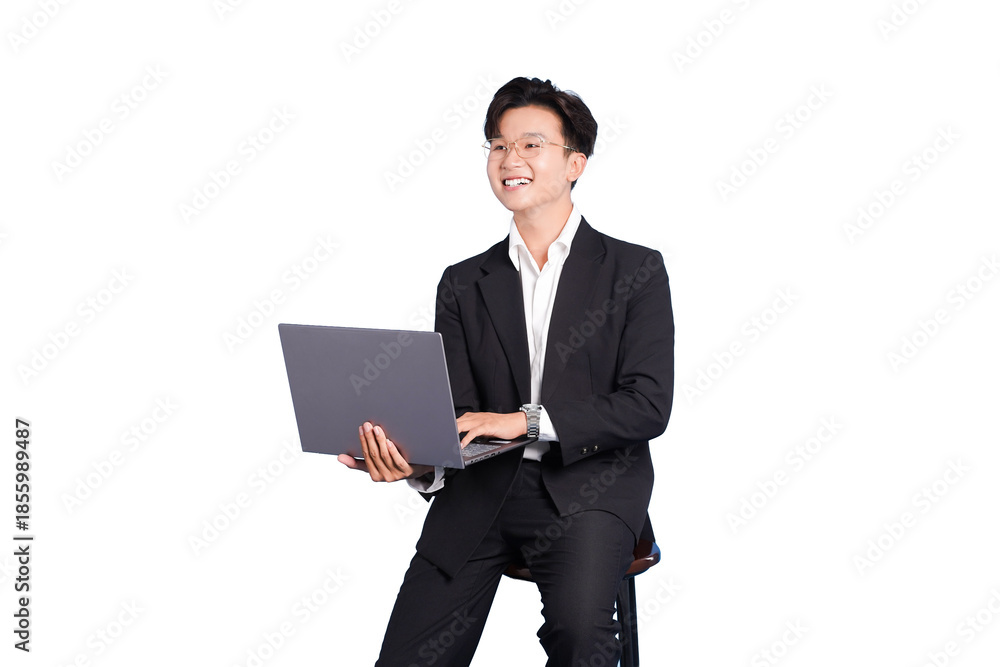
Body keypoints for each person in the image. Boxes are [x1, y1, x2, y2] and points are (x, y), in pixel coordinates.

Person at [338, 76, 674, 666]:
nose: (509, 159)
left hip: (589, 488)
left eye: (530, 145)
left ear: (575, 163)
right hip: (483, 491)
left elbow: (646, 406)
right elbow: (460, 417)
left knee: (579, 636)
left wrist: (525, 421)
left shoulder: (635, 270)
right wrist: (418, 463)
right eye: (498, 145)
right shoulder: (463, 282)